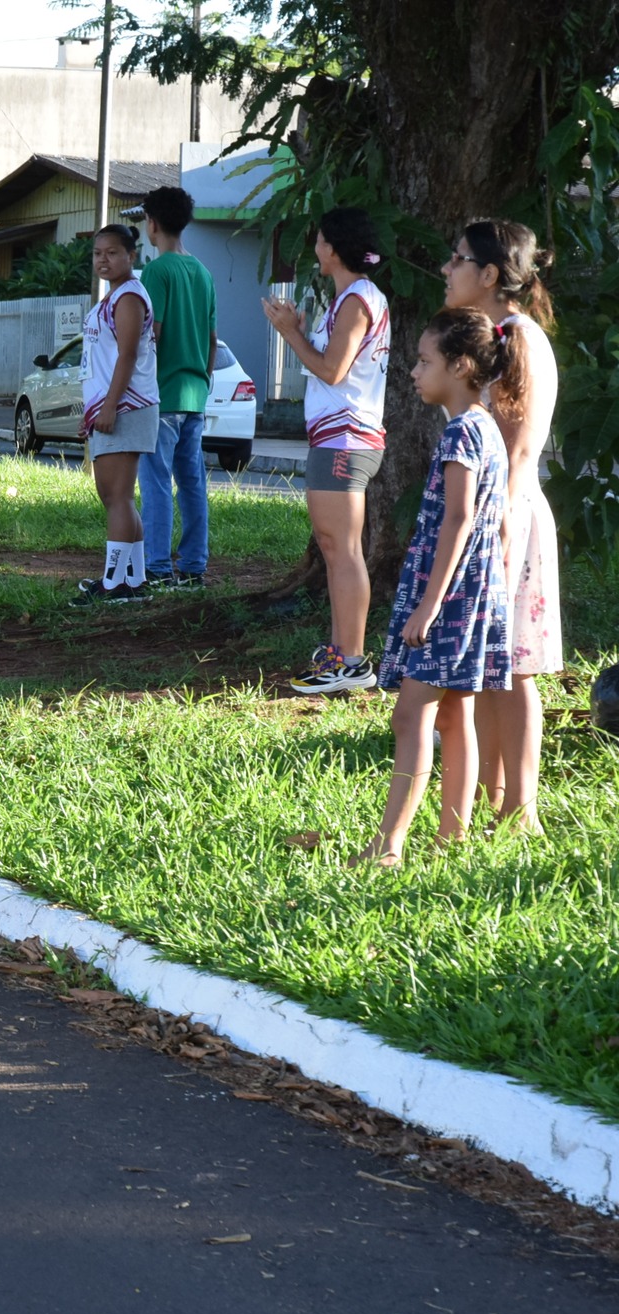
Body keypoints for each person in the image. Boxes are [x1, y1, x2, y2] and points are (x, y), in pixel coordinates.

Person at [355, 308, 521, 868]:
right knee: (455, 716)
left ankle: (388, 846)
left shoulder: (460, 432)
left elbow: (459, 519)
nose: (413, 372)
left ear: (461, 365)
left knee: (411, 718)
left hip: (449, 598)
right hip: (477, 592)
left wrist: (428, 606)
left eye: (424, 362)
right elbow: (492, 524)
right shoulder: (488, 427)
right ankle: (452, 838)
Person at [442, 219, 562, 836]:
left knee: (512, 667)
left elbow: (517, 450)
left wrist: (500, 528)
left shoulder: (517, 337)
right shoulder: (502, 333)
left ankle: (523, 808)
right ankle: (495, 795)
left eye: (457, 259)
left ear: (489, 275)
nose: (446, 269)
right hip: (499, 514)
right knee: (490, 663)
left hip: (507, 514)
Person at [262, 208, 391, 694]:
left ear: (332, 249)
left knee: (341, 550)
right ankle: (342, 654)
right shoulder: (351, 299)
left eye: (317, 240)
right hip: (339, 437)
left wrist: (291, 333)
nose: (313, 247)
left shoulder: (357, 300)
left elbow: (333, 370)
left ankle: (352, 661)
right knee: (337, 548)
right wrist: (298, 328)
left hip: (345, 439)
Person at [72, 223, 160, 605]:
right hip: (110, 409)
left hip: (128, 408)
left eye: (112, 253)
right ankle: (134, 580)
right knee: (116, 497)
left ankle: (114, 585)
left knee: (117, 497)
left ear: (131, 256)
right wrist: (92, 411)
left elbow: (126, 356)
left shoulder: (128, 297)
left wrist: (108, 407)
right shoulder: (112, 297)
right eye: (97, 254)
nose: (103, 260)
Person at [136, 187, 218, 591]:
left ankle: (156, 567)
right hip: (195, 393)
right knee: (192, 482)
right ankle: (193, 566)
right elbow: (211, 340)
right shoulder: (202, 272)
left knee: (154, 482)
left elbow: (153, 333)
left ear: (152, 222)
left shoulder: (156, 270)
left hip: (162, 394)